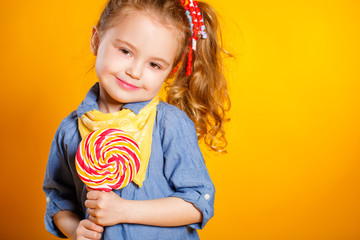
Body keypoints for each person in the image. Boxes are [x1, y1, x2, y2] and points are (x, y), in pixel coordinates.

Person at [43, 0, 230, 239]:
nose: (135, 71)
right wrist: (76, 229)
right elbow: (58, 198)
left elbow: (197, 202)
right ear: (96, 40)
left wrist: (123, 210)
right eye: (125, 51)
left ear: (170, 71)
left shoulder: (168, 124)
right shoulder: (70, 130)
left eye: (154, 64)